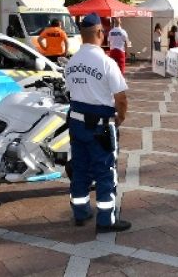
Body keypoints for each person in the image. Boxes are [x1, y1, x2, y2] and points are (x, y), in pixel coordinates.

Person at [64, 12, 130, 233]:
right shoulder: (106, 62)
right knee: (105, 170)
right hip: (100, 125)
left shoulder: (71, 62)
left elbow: (71, 91)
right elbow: (121, 97)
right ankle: (106, 219)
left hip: (76, 123)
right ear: (101, 33)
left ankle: (80, 212)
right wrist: (120, 118)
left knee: (80, 169)